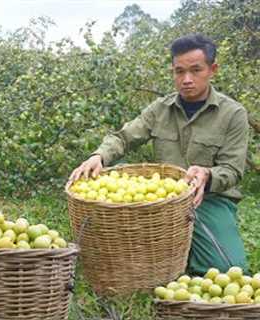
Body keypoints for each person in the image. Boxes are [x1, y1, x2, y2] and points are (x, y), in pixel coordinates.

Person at [69, 33, 249, 275]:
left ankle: (191, 255)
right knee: (131, 262)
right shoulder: (160, 109)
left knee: (227, 270)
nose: (186, 79)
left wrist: (207, 175)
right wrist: (98, 156)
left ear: (212, 69)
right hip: (160, 203)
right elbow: (123, 137)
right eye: (179, 71)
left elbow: (233, 169)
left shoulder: (233, 114)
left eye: (196, 70)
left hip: (209, 199)